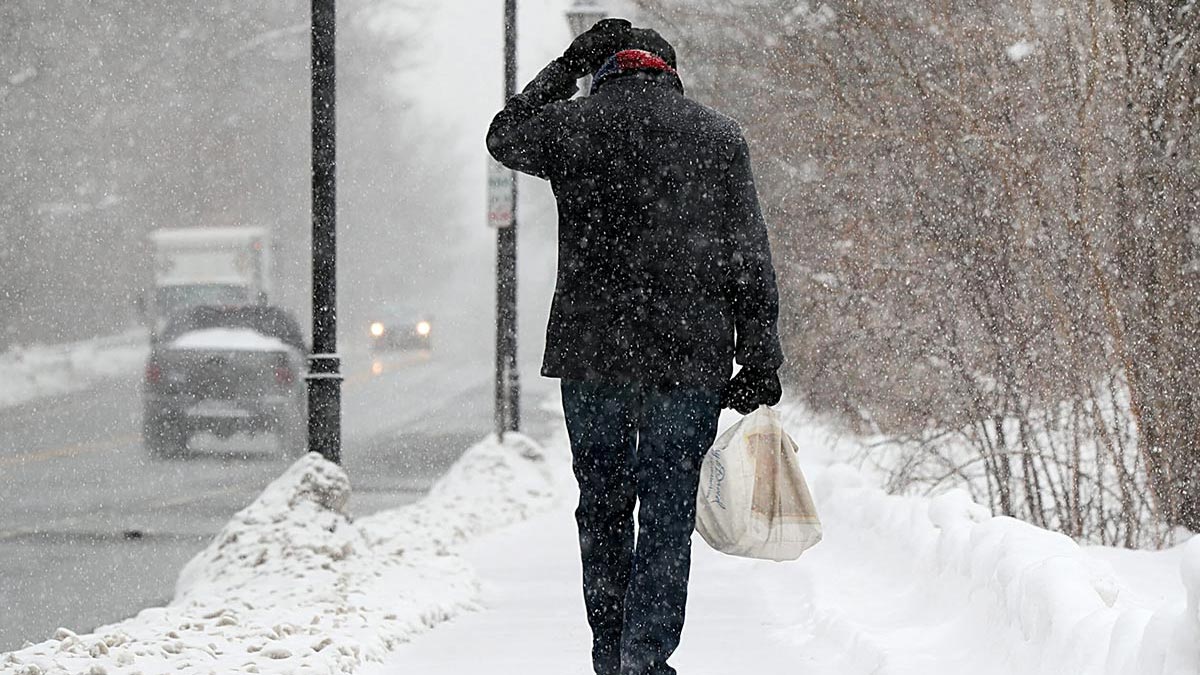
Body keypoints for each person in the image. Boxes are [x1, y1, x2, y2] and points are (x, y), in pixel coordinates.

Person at [486, 19, 783, 675]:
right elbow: (748, 255)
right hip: (689, 355)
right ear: (669, 72)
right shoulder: (716, 136)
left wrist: (566, 64)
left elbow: (504, 136)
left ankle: (608, 651)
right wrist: (759, 357)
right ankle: (644, 657)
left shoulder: (574, 126)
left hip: (594, 355)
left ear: (606, 70)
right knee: (668, 513)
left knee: (604, 508)